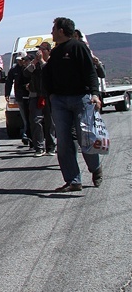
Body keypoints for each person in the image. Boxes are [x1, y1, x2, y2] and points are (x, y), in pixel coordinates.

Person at [42, 17, 102, 192]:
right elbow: (49, 75)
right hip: (60, 101)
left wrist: (95, 94)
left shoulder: (78, 47)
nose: (52, 32)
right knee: (64, 142)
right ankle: (73, 180)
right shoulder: (56, 52)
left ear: (61, 30)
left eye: (54, 28)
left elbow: (90, 72)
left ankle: (95, 168)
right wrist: (51, 95)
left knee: (86, 139)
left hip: (81, 99)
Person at [24, 41, 56, 156]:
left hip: (49, 96)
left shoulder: (52, 61)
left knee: (50, 122)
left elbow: (50, 72)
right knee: (35, 121)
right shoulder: (35, 63)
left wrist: (42, 61)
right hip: (35, 95)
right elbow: (26, 73)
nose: (39, 51)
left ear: (48, 51)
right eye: (39, 49)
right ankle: (39, 147)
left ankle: (51, 146)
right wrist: (35, 62)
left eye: (42, 49)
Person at [5, 53, 31, 146]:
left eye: (22, 60)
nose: (20, 62)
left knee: (32, 118)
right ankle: (26, 135)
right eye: (19, 60)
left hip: (32, 97)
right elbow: (9, 81)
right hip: (20, 97)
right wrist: (7, 93)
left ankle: (29, 135)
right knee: (25, 118)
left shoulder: (30, 68)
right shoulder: (14, 70)